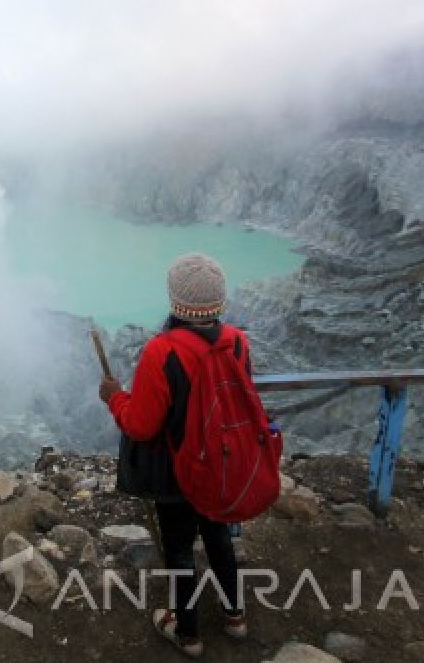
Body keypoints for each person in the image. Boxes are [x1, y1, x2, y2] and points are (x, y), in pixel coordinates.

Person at [99, 253, 248, 658]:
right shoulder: (237, 341)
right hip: (220, 464)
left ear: (176, 300)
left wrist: (115, 399)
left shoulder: (161, 352)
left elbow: (142, 425)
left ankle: (188, 633)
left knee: (180, 547)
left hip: (175, 471)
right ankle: (235, 616)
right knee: (218, 535)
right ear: (218, 300)